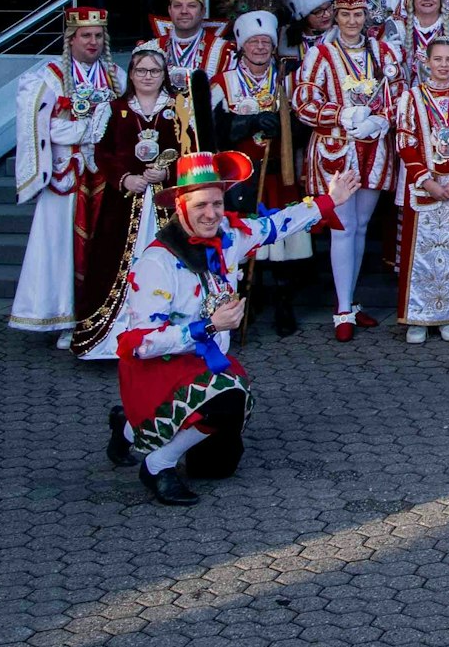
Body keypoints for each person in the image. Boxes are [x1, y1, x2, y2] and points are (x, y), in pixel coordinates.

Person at [109, 153, 354, 505]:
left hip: (201, 364)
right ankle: (157, 465)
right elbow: (142, 345)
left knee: (218, 466)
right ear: (180, 207)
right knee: (229, 393)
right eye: (200, 205)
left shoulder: (228, 237)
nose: (211, 214)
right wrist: (208, 326)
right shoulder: (157, 263)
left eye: (217, 203)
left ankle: (129, 427)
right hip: (157, 369)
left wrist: (331, 200)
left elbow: (277, 225)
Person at [293, 0, 404, 342]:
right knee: (342, 228)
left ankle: (351, 302)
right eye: (345, 15)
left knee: (360, 226)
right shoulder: (319, 55)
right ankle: (341, 308)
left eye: (358, 15)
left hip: (373, 147)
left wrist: (381, 120)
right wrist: (341, 114)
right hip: (335, 150)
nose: (352, 21)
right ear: (335, 16)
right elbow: (303, 103)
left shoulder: (384, 52)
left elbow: (399, 93)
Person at [12, 7, 121, 349]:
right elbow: (44, 127)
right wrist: (85, 129)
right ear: (70, 38)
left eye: (98, 35)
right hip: (66, 177)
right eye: (85, 35)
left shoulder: (116, 75)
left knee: (103, 247)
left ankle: (100, 316)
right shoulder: (48, 75)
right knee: (62, 248)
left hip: (104, 176)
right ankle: (64, 317)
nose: (92, 41)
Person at [71, 42, 178, 361]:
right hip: (123, 205)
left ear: (164, 75)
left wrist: (168, 172)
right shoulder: (115, 109)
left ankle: (164, 335)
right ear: (131, 74)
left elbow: (191, 149)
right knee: (112, 265)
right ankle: (111, 335)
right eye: (141, 70)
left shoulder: (177, 109)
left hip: (164, 204)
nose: (148, 76)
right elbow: (102, 153)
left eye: (155, 71)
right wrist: (124, 178)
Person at [209, 9, 310, 338]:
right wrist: (248, 123)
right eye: (254, 43)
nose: (260, 48)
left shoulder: (287, 77)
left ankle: (284, 302)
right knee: (242, 242)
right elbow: (213, 129)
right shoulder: (223, 82)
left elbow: (305, 123)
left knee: (282, 240)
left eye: (266, 42)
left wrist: (284, 125)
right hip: (240, 178)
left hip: (277, 174)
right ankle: (244, 305)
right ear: (242, 46)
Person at [393, 37, 449, 344]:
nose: (444, 65)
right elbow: (405, 142)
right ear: (426, 62)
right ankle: (418, 317)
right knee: (422, 253)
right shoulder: (411, 97)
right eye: (438, 59)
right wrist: (427, 181)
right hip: (425, 185)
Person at [151, 0, 233, 89]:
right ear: (169, 10)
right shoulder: (150, 49)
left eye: (191, 6)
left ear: (203, 11)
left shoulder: (224, 52)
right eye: (177, 6)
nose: (184, 11)